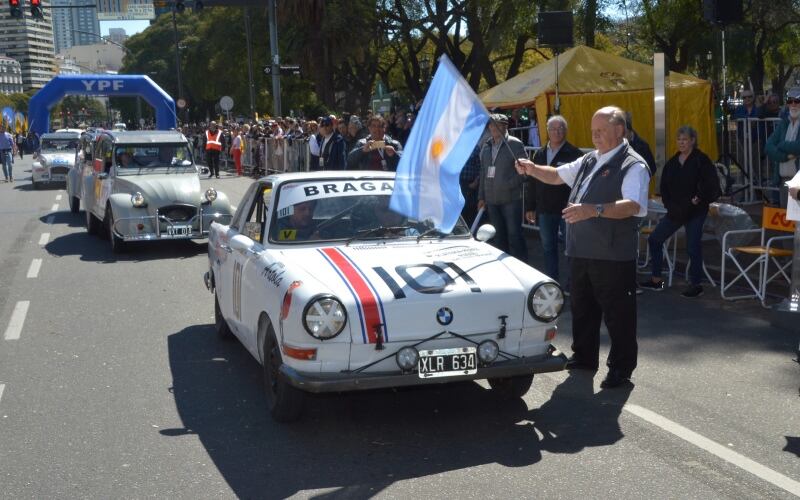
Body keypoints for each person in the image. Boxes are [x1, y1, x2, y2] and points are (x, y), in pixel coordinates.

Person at [516, 106, 650, 389]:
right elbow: (555, 176)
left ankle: (621, 369)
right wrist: (532, 168)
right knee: (583, 308)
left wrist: (593, 209)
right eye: (592, 131)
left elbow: (633, 206)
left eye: (601, 131)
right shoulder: (590, 159)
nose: (595, 136)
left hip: (613, 254)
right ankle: (584, 356)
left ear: (619, 130)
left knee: (618, 315)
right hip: (581, 250)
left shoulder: (633, 165)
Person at [640, 126, 720, 298]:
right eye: (679, 139)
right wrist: (670, 205)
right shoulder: (672, 163)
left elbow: (712, 185)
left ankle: (696, 284)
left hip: (696, 211)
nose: (681, 142)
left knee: (693, 247)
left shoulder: (701, 160)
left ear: (692, 140)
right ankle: (656, 280)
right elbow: (665, 188)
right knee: (655, 239)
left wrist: (698, 198)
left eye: (685, 139)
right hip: (676, 211)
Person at [524, 115, 583, 283]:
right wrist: (530, 206)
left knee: (571, 249)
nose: (557, 132)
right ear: (547, 131)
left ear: (565, 131)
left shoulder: (574, 153)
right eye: (553, 129)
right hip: (544, 209)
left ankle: (574, 284)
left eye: (561, 129)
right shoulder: (540, 153)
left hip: (567, 210)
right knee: (548, 248)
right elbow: (532, 182)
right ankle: (552, 282)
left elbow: (580, 184)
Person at [477, 114, 527, 260]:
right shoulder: (486, 146)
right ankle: (504, 267)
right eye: (491, 125)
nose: (493, 127)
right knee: (498, 237)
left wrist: (508, 185)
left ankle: (521, 266)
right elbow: (483, 172)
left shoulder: (515, 144)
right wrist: (481, 197)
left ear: (505, 126)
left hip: (510, 199)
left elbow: (524, 172)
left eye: (497, 124)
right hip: (492, 200)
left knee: (514, 236)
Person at [765, 88, 800, 207]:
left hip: (798, 181)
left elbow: (798, 146)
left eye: (797, 101)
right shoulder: (784, 123)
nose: (793, 104)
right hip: (783, 180)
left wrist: (781, 144)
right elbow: (768, 146)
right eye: (790, 101)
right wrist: (785, 156)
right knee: (787, 220)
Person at [624, 112, 657, 176]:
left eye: (624, 132)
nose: (621, 136)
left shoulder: (642, 146)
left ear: (630, 130)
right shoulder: (616, 145)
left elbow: (652, 168)